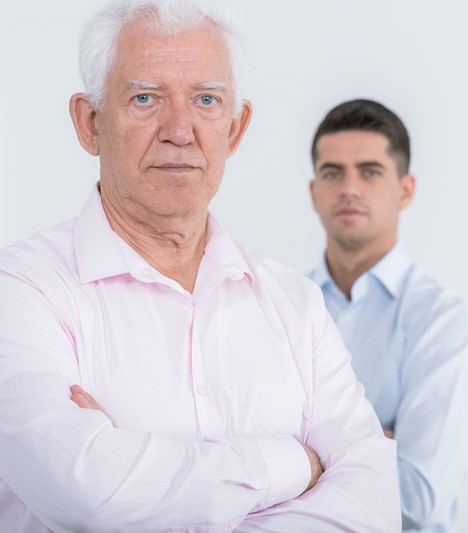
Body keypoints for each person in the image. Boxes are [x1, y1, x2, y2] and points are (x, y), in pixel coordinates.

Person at [0, 2, 400, 532]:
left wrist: (138, 481)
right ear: (90, 122)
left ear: (235, 129)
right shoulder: (22, 291)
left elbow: (371, 509)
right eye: (145, 98)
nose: (180, 130)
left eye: (206, 100)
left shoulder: (296, 304)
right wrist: (294, 463)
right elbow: (85, 490)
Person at [307, 99, 468, 532]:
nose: (349, 188)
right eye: (333, 173)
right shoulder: (278, 307)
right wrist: (373, 445)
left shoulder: (446, 326)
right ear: (314, 192)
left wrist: (295, 455)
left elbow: (417, 500)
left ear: (406, 190)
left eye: (370, 172)